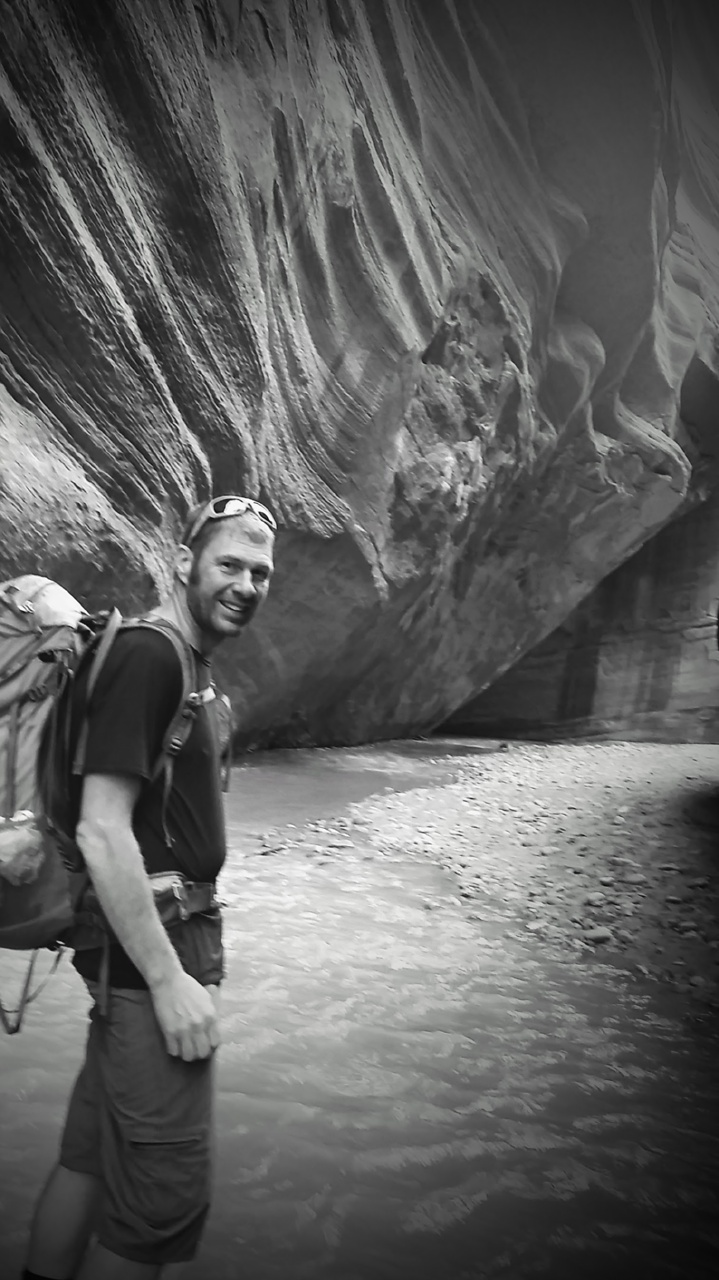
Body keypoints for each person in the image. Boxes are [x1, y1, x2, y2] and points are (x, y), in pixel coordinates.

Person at [22, 495, 276, 1280]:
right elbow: (102, 829)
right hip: (149, 967)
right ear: (184, 563)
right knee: (156, 1213)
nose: (245, 585)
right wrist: (169, 982)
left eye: (260, 572)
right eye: (229, 565)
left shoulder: (185, 663)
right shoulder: (152, 656)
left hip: (132, 962)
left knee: (91, 1164)